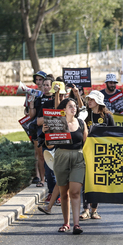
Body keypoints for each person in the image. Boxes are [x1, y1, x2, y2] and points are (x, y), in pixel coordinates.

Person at [41, 98, 88, 234]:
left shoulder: (81, 123)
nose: (74, 108)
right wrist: (47, 133)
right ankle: (66, 223)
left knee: (74, 191)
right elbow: (50, 145)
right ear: (64, 110)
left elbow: (86, 142)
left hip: (78, 158)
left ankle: (76, 225)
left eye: (75, 106)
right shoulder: (56, 123)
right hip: (61, 156)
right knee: (64, 192)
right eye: (70, 106)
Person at [79, 90, 114, 221]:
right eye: (88, 99)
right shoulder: (85, 116)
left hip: (102, 154)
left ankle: (94, 210)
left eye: (92, 100)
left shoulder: (107, 117)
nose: (89, 101)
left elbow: (113, 135)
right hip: (86, 153)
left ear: (98, 102)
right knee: (86, 181)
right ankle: (85, 210)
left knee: (98, 182)